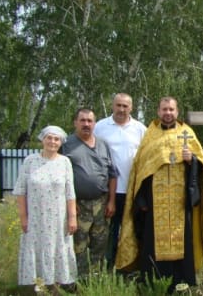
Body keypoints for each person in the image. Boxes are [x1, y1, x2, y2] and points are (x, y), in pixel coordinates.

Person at [115, 96, 203, 293]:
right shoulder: (150, 135)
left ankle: (181, 280)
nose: (168, 113)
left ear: (177, 112)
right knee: (152, 239)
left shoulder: (187, 133)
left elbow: (201, 164)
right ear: (158, 111)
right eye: (164, 109)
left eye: (171, 109)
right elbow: (141, 168)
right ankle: (154, 281)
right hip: (154, 201)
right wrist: (142, 198)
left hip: (180, 199)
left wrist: (192, 160)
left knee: (183, 238)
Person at [13, 125, 77, 292]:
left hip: (58, 220)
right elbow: (20, 191)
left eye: (56, 139)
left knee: (57, 251)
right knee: (38, 251)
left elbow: (70, 193)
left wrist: (72, 218)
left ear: (61, 142)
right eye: (49, 137)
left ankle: (55, 289)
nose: (52, 142)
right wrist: (23, 218)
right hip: (35, 219)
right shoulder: (30, 161)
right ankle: (39, 289)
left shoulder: (65, 162)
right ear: (42, 139)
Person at [61, 108, 117, 278]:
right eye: (83, 120)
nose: (86, 124)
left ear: (94, 123)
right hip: (78, 205)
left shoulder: (102, 144)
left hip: (101, 203)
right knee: (78, 244)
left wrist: (111, 201)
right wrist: (69, 203)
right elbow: (59, 177)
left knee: (100, 242)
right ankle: (77, 279)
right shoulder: (66, 145)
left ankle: (96, 277)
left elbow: (112, 174)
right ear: (75, 123)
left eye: (90, 121)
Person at [94, 93, 147, 268]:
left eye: (125, 106)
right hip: (108, 191)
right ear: (112, 106)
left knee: (132, 230)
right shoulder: (100, 127)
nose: (121, 109)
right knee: (109, 231)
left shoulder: (140, 129)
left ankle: (130, 266)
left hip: (133, 189)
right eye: (118, 105)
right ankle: (108, 266)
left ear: (131, 108)